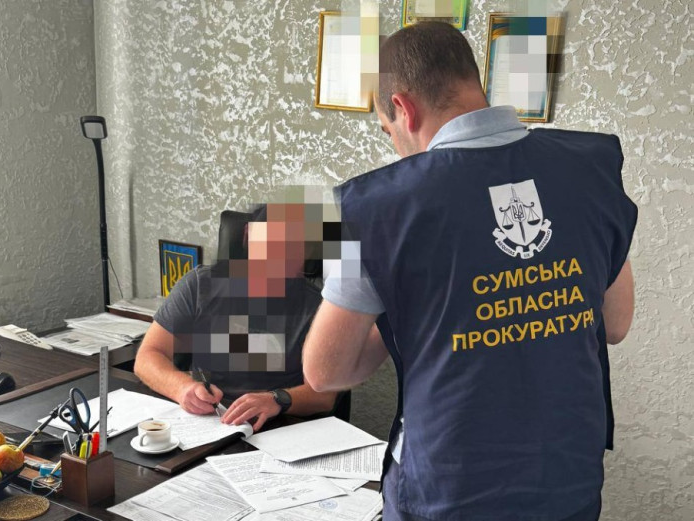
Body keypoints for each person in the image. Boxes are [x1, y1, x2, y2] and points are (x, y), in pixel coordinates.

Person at [303, 22, 637, 521]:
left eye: (388, 132)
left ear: (402, 108)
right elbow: (615, 322)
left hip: (448, 490)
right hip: (566, 477)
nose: (396, 146)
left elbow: (325, 371)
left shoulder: (370, 207)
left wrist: (412, 308)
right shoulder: (591, 169)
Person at [135, 203, 338, 431]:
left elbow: (324, 396)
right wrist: (182, 388)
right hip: (204, 421)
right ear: (248, 236)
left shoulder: (320, 310)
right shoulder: (200, 285)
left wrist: (276, 400)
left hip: (275, 427)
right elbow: (148, 356)